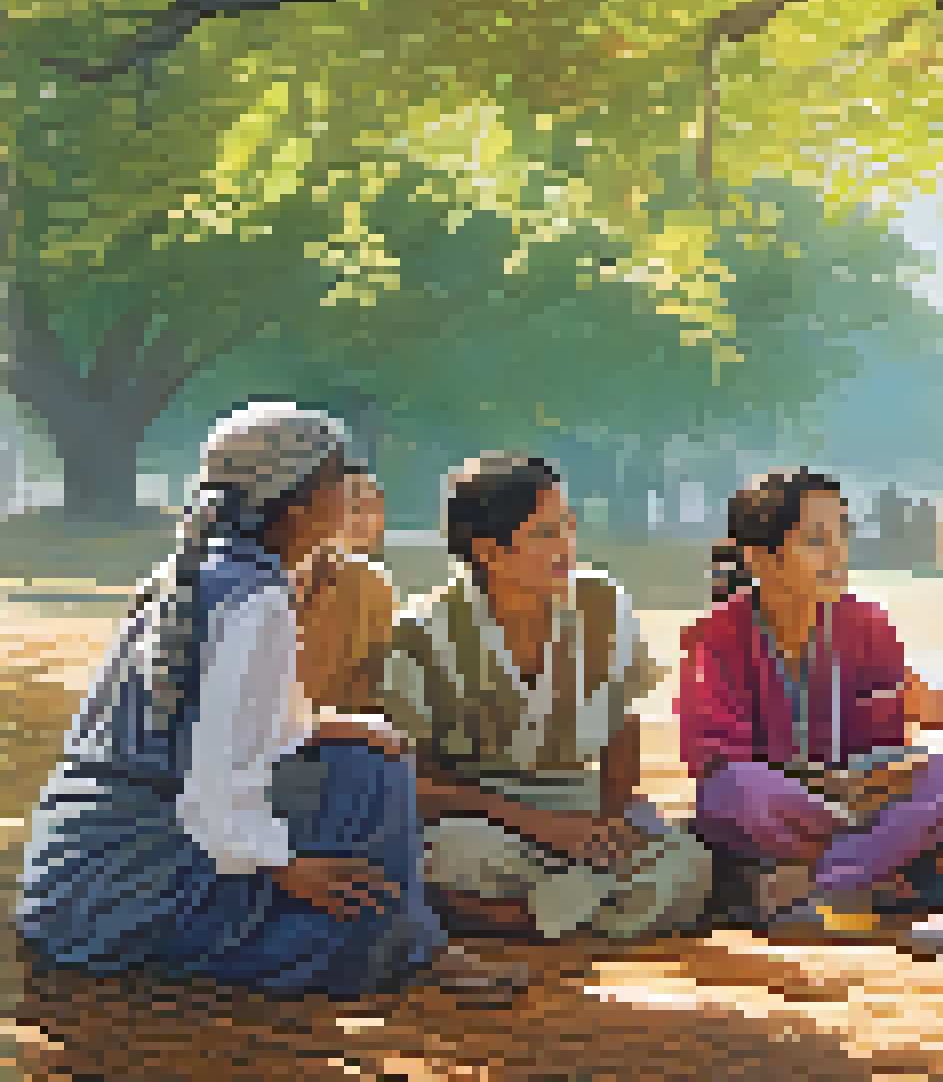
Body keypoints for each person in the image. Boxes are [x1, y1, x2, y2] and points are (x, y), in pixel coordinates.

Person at [15, 403, 516, 1000]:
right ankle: (397, 949)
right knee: (371, 779)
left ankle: (408, 942)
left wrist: (333, 728)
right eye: (338, 479)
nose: (351, 491)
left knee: (365, 752)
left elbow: (231, 730)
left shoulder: (207, 574)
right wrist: (287, 867)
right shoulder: (254, 598)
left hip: (77, 877)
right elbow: (213, 788)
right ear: (301, 501)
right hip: (130, 884)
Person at [375, 453, 712, 940]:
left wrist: (607, 824)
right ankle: (586, 913)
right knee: (451, 855)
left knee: (688, 862)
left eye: (568, 528)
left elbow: (623, 729)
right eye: (546, 534)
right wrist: (535, 823)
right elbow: (415, 785)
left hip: (581, 801)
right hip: (480, 816)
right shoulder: (422, 633)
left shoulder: (603, 604)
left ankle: (516, 918)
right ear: (488, 549)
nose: (567, 547)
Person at [680, 471, 943, 930]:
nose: (838, 554)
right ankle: (867, 872)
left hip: (858, 801)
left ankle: (810, 884)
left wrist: (877, 778)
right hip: (783, 805)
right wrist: (826, 786)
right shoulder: (715, 635)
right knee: (735, 791)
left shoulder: (868, 622)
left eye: (842, 535)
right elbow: (715, 759)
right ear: (759, 557)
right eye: (816, 540)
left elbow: (887, 740)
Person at [293, 464, 397, 714]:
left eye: (372, 507)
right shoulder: (254, 582)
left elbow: (372, 689)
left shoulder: (370, 583)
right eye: (353, 508)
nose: (367, 520)